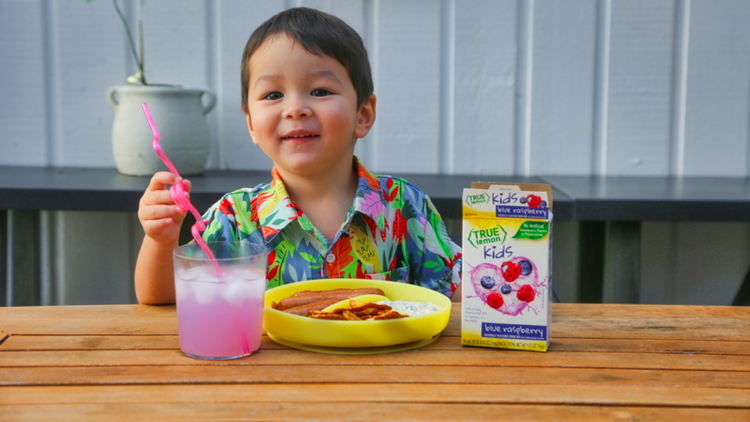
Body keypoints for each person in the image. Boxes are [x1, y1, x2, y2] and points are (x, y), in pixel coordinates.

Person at [135, 7, 462, 305]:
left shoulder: (404, 207)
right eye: (273, 94)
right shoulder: (235, 218)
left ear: (363, 114)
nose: (295, 109)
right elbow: (162, 298)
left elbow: (463, 291)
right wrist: (161, 242)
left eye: (320, 91)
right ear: (251, 124)